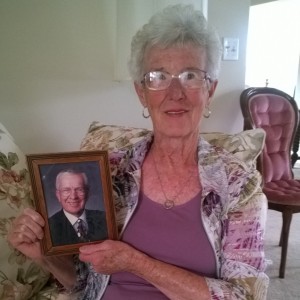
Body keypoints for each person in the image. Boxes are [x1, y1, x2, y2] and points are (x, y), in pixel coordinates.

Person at [7, 4, 269, 299]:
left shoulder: (238, 183)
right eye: (158, 76)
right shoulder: (112, 171)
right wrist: (43, 255)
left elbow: (246, 296)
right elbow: (84, 287)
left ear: (210, 90)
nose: (174, 92)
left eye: (190, 76)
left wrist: (135, 262)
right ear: (141, 92)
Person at [48, 169, 108, 246]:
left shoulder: (105, 218)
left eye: (80, 189)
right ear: (58, 195)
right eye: (66, 190)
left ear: (87, 193)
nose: (73, 196)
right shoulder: (49, 227)